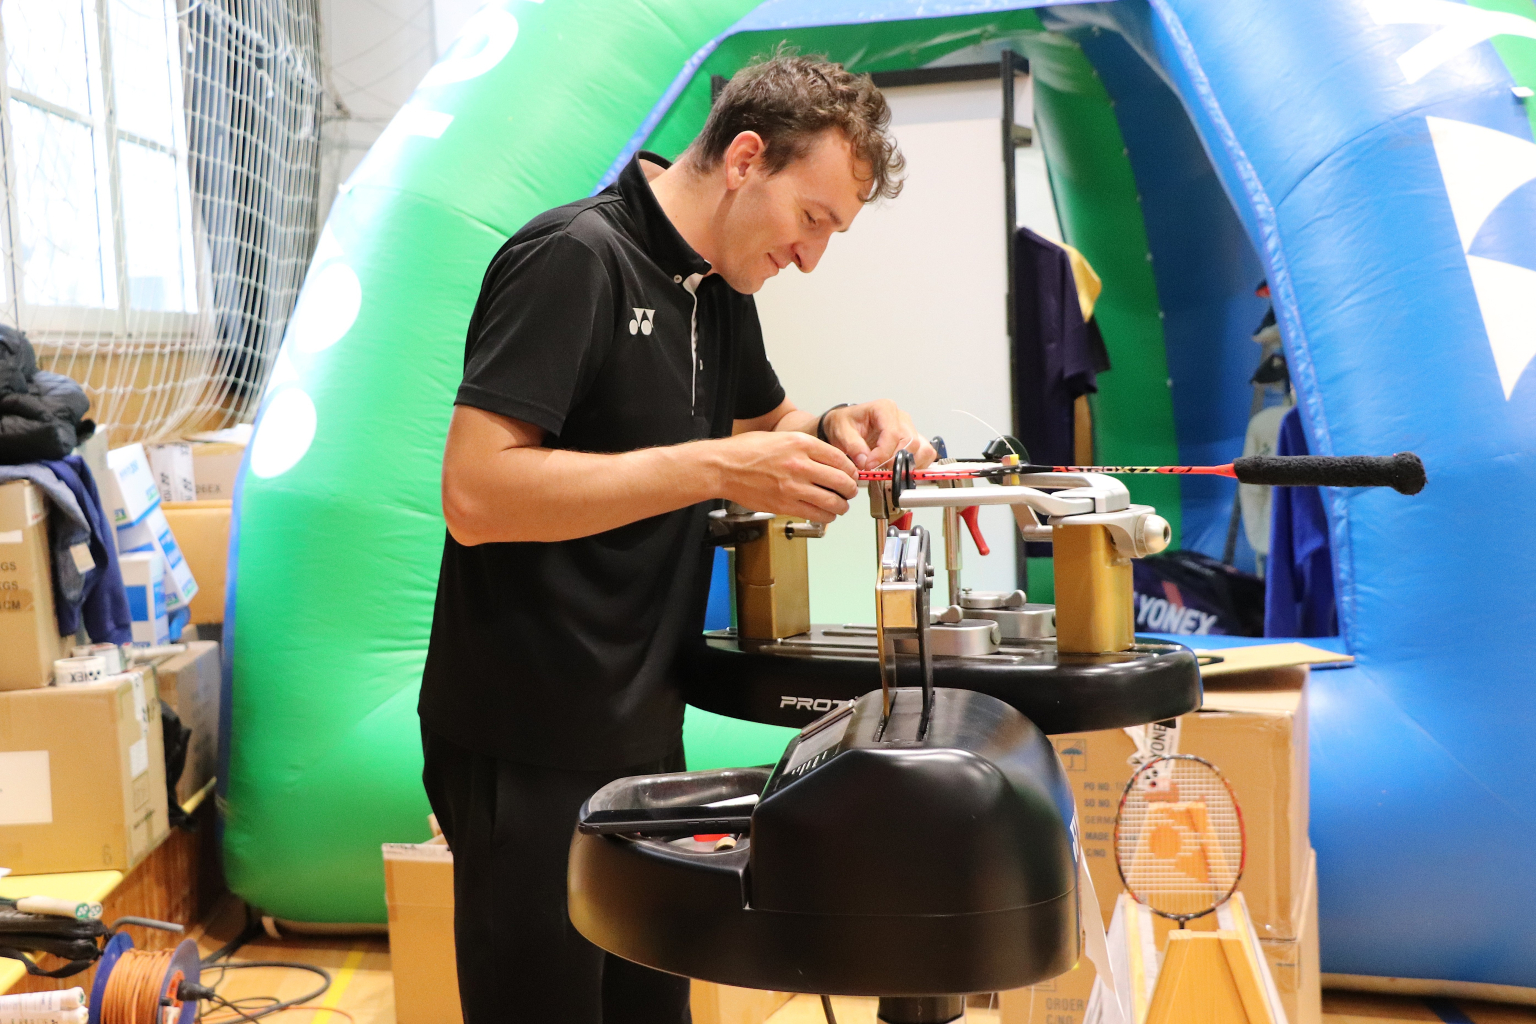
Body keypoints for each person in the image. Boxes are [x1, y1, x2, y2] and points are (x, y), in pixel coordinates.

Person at [418, 53, 937, 1024]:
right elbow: (477, 492)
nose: (811, 258)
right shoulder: (573, 258)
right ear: (745, 159)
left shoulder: (718, 288)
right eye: (812, 219)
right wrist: (713, 469)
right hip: (524, 734)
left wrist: (840, 425)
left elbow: (766, 424)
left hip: (643, 727)